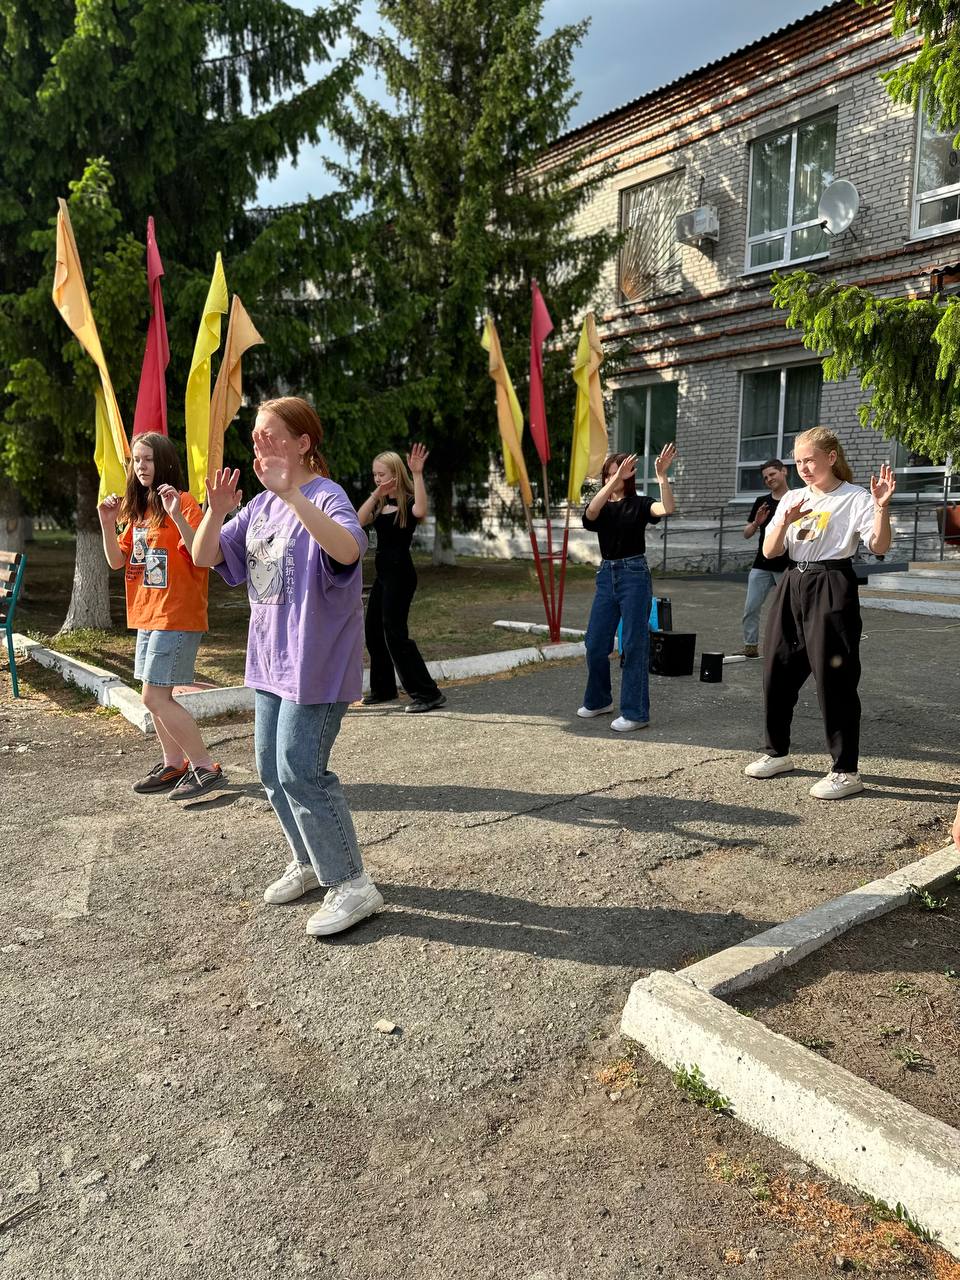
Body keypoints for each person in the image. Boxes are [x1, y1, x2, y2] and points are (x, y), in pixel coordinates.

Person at [191, 395, 384, 938]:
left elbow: (348, 549)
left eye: (270, 433)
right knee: (273, 773)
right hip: (270, 662)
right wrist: (217, 509)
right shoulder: (257, 506)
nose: (258, 441)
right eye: (255, 434)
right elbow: (206, 558)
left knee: (302, 769)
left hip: (316, 662)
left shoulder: (324, 494)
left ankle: (352, 883)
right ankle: (308, 862)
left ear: (303, 443)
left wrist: (293, 494)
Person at [744, 426, 895, 800]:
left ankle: (845, 770)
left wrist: (881, 507)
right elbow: (772, 551)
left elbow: (879, 545)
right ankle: (776, 752)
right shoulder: (792, 497)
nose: (804, 468)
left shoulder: (854, 497)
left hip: (832, 581)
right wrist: (784, 520)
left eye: (810, 459)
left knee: (834, 677)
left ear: (831, 457)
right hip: (793, 581)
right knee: (776, 669)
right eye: (798, 462)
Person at [97, 432, 224, 798]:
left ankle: (204, 766)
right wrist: (108, 523)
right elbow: (117, 561)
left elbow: (203, 553)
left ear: (165, 461)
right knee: (151, 695)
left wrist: (176, 516)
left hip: (177, 615)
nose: (141, 467)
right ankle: (174, 763)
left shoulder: (181, 501)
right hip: (147, 616)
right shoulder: (137, 512)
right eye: (137, 461)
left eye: (148, 460)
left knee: (156, 698)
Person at [577, 444, 677, 732]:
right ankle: (599, 700)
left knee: (633, 644)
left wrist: (661, 477)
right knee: (595, 643)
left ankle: (635, 713)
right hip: (606, 575)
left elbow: (667, 508)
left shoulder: (640, 504)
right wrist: (611, 483)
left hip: (634, 574)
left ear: (629, 476)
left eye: (619, 474)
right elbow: (591, 514)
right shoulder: (603, 507)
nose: (614, 478)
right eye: (608, 474)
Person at [356, 445, 446, 713]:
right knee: (373, 631)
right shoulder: (380, 503)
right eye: (374, 475)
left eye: (382, 474)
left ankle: (427, 693)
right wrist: (376, 494)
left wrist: (417, 473)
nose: (378, 479)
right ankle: (383, 689)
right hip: (383, 575)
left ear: (395, 473)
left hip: (401, 574)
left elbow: (421, 510)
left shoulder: (407, 501)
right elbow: (357, 520)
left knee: (395, 633)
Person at [741, 459, 790, 658]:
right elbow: (746, 533)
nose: (769, 479)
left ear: (784, 471)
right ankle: (750, 647)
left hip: (788, 566)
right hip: (762, 565)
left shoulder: (798, 498)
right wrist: (756, 522)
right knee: (750, 608)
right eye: (766, 477)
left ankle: (790, 648)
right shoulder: (762, 501)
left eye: (772, 474)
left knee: (788, 611)